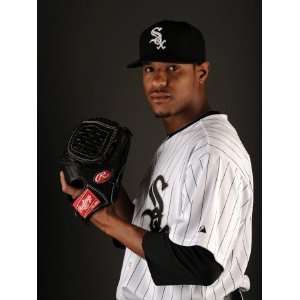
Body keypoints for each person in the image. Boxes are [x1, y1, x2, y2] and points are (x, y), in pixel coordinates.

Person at [60, 20, 254, 300]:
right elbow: (149, 230)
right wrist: (105, 189)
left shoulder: (211, 150)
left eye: (173, 68)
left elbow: (200, 265)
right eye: (150, 68)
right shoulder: (178, 143)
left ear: (202, 72)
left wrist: (98, 216)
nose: (159, 80)